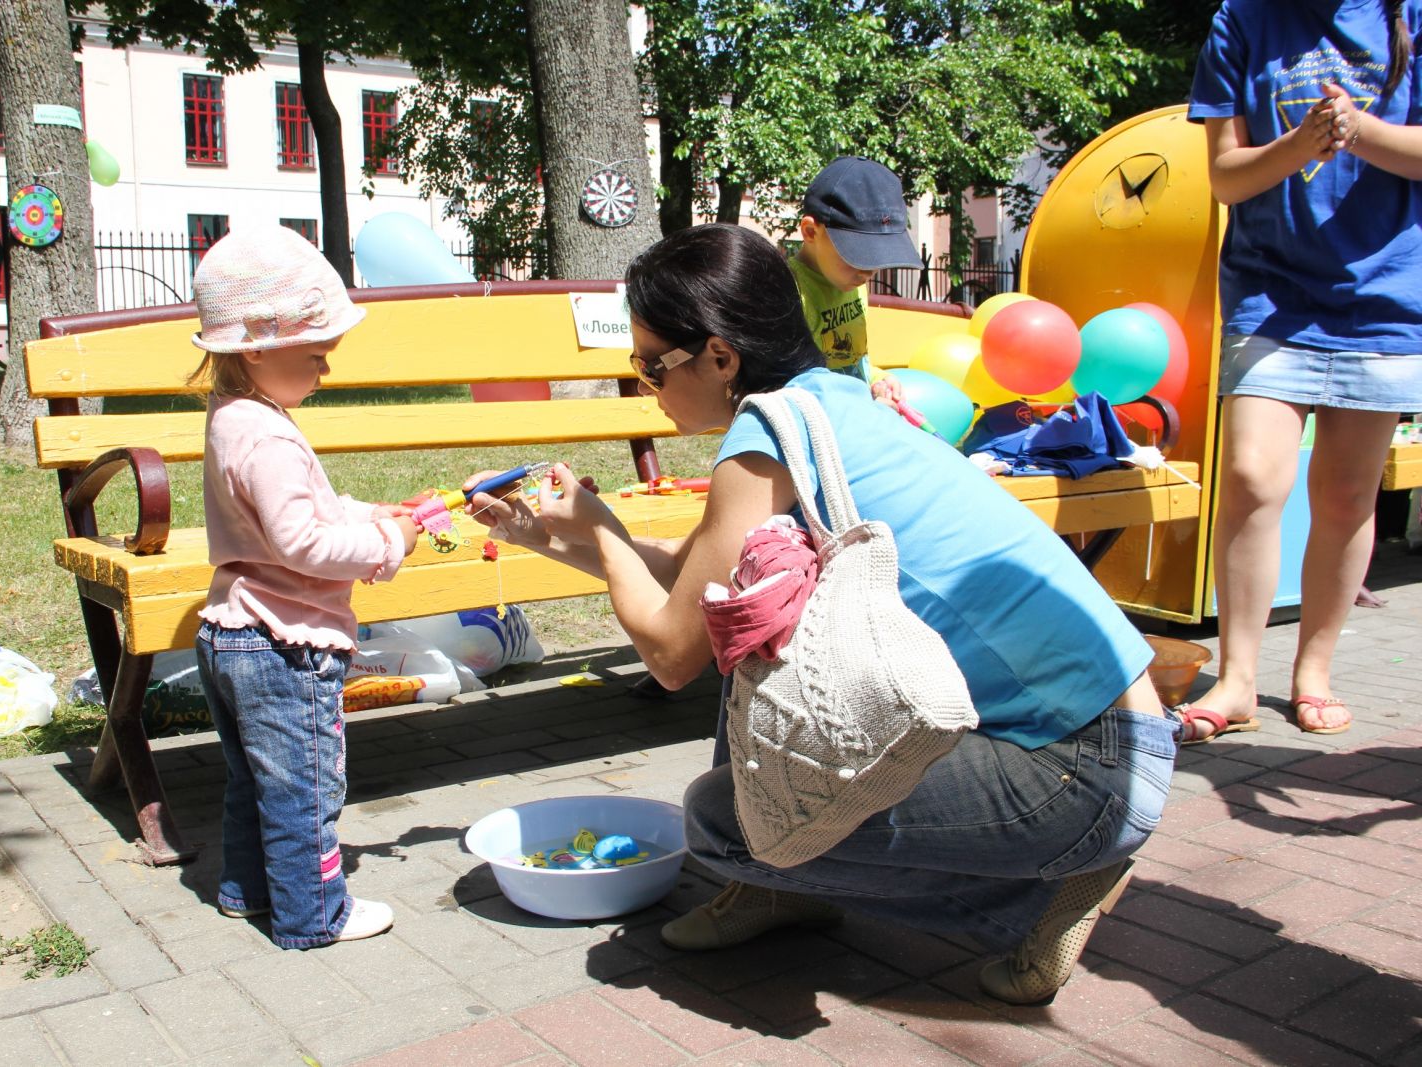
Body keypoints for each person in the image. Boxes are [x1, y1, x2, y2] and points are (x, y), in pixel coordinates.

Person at [468, 224, 1179, 1005]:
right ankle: (792, 888)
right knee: (758, 639)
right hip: (1112, 735)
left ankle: (1035, 896)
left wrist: (601, 534)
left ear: (720, 356)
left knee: (726, 822)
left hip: (1081, 771)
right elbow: (702, 579)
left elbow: (673, 653)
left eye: (650, 364)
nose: (643, 385)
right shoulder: (829, 401)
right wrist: (550, 537)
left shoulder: (765, 437)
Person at [1184, 0, 1422, 742]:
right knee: (1254, 476)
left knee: (1348, 495)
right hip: (1271, 295)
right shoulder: (1243, 18)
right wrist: (1303, 142)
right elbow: (1225, 176)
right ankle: (1238, 678)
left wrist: (1361, 131)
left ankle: (1314, 670)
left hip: (1383, 295)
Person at [187, 226, 420, 949]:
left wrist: (367, 511)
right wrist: (388, 544)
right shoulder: (271, 436)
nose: (325, 368)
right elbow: (303, 542)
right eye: (315, 353)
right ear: (255, 346)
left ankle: (247, 889)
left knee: (253, 782)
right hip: (285, 645)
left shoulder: (238, 418)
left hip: (231, 635)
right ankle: (314, 913)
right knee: (306, 790)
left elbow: (295, 513)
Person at [790, 156, 919, 405]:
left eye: (876, 260)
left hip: (854, 419)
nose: (868, 273)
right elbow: (790, 391)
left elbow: (855, 361)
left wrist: (877, 380)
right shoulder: (790, 294)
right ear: (810, 232)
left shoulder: (851, 280)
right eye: (858, 257)